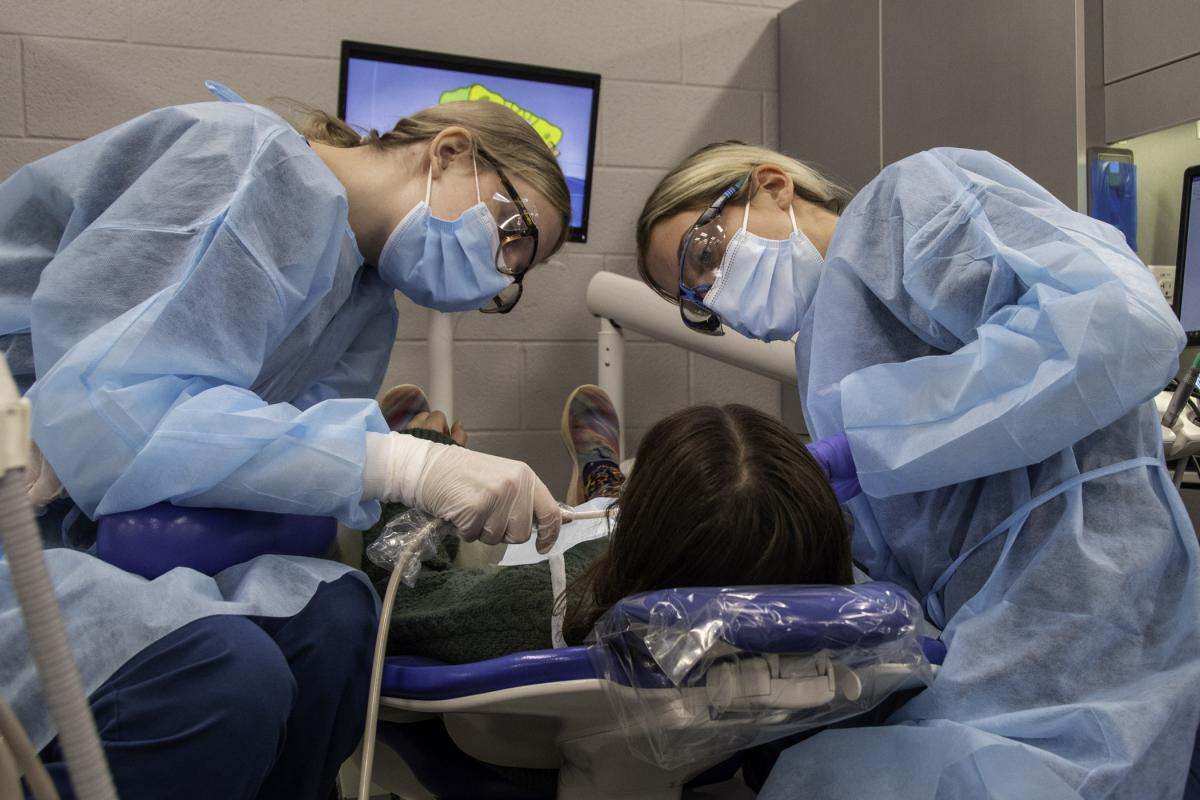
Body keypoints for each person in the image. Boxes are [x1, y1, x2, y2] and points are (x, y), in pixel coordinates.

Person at [0, 86, 570, 799]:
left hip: (114, 529)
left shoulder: (363, 307)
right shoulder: (244, 160)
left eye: (516, 273)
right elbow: (102, 418)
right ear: (449, 151)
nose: (500, 268)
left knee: (335, 619)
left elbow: (273, 467)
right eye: (512, 230)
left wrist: (388, 475)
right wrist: (405, 460)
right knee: (225, 679)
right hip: (25, 520)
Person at [634, 142, 1200, 798]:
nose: (716, 297)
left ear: (770, 185)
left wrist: (870, 445)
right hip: (992, 649)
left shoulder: (907, 206)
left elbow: (1118, 324)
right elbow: (909, 544)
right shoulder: (826, 356)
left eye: (704, 256)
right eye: (696, 299)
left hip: (1091, 625)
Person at [364, 385, 851, 663]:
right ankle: (603, 490)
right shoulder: (842, 621)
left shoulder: (552, 605)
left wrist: (418, 470)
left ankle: (607, 494)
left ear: (637, 525)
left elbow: (401, 602)